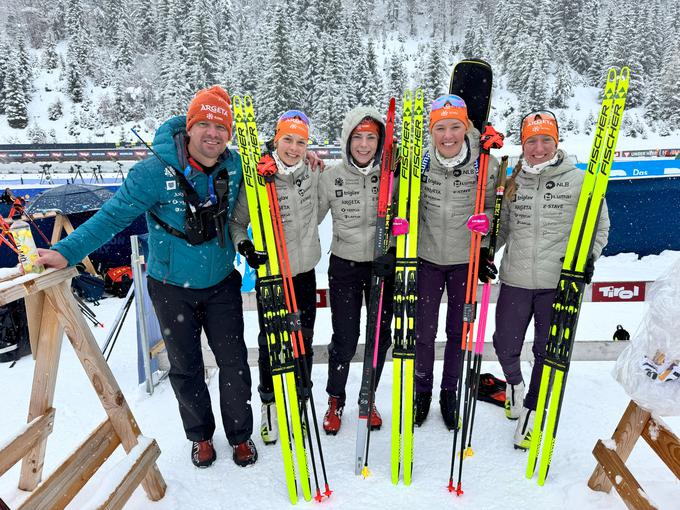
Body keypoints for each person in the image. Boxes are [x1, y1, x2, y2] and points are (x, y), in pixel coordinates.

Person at [35, 86, 258, 469]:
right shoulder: (153, 171)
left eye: (221, 127)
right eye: (203, 124)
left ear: (230, 134)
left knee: (234, 363)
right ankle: (200, 436)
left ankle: (240, 435)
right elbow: (112, 216)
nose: (212, 134)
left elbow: (280, 176)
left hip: (221, 281)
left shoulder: (236, 166)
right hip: (171, 287)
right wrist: (66, 252)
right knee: (185, 366)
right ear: (188, 128)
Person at [491, 110, 610, 449]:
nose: (538, 148)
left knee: (547, 351)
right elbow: (504, 229)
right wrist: (486, 253)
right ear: (523, 143)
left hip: (557, 282)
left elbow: (600, 227)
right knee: (504, 344)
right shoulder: (513, 180)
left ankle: (531, 412)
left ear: (556, 142)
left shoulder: (579, 181)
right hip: (515, 278)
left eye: (546, 140)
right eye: (531, 141)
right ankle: (513, 384)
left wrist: (590, 256)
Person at [229, 110, 321, 445]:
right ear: (276, 138)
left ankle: (300, 398)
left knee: (303, 341)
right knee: (271, 343)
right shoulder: (257, 176)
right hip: (272, 274)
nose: (294, 148)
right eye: (288, 140)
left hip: (304, 271)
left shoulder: (312, 171)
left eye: (301, 142)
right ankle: (269, 402)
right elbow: (237, 223)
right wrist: (247, 247)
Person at [414, 95, 498, 430]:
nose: (447, 135)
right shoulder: (419, 163)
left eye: (454, 127)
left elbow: (495, 206)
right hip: (427, 259)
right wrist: (401, 228)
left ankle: (449, 392)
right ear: (431, 132)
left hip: (464, 260)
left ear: (466, 128)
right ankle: (422, 391)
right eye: (440, 128)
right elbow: (403, 203)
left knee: (457, 332)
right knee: (423, 332)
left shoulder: (484, 163)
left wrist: (487, 226)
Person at [317, 106, 393, 434]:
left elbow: (409, 216)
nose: (364, 145)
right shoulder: (330, 176)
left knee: (380, 337)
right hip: (345, 265)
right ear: (347, 139)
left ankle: (368, 394)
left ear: (381, 141)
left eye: (371, 138)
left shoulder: (394, 174)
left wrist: (393, 251)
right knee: (346, 339)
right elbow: (310, 216)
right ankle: (336, 398)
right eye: (357, 137)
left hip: (382, 265)